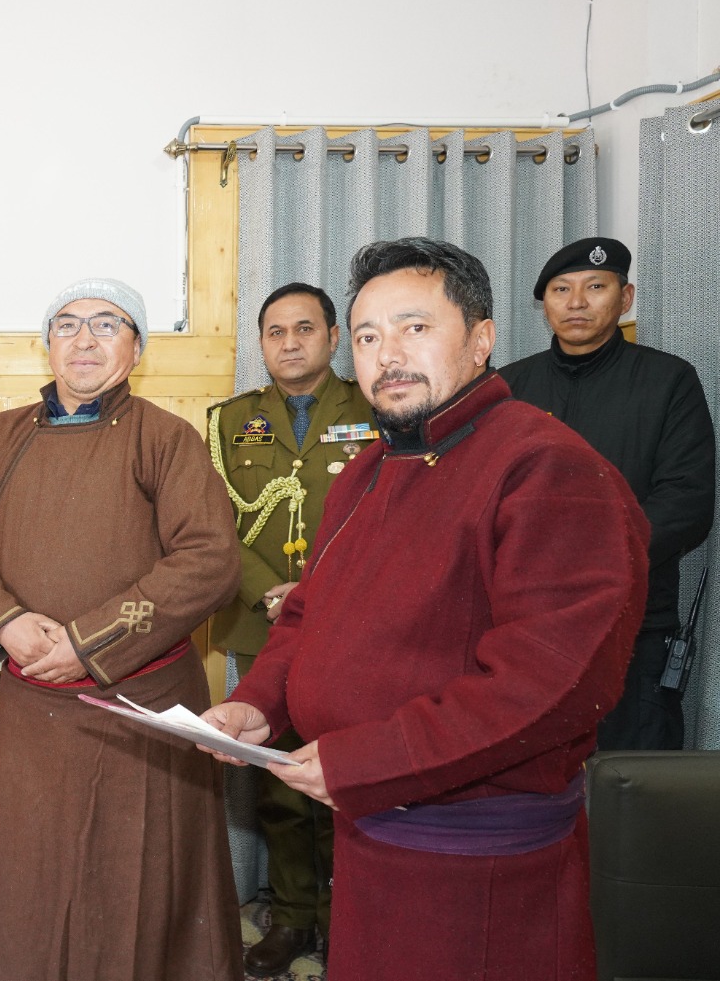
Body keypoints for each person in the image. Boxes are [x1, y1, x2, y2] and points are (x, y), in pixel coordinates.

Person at [202, 237, 650, 981]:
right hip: (375, 834)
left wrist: (364, 758)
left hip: (478, 867)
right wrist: (257, 705)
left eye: (414, 327)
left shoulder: (547, 467)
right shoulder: (372, 468)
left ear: (481, 338)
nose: (388, 353)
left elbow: (547, 687)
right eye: (371, 335)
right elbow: (310, 613)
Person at [0, 278, 244, 981]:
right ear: (47, 345)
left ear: (135, 349)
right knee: (39, 887)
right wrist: (6, 623)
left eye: (106, 325)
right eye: (67, 325)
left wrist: (87, 642)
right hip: (35, 709)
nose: (83, 339)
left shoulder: (167, 438)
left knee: (140, 890)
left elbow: (210, 560)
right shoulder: (2, 435)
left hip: (142, 711)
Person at [206, 282, 376, 975]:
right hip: (262, 624)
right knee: (277, 783)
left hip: (356, 623)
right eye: (275, 332)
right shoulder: (229, 420)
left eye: (305, 328)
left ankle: (349, 918)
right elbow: (214, 521)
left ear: (334, 337)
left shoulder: (377, 407)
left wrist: (315, 591)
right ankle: (294, 917)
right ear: (262, 343)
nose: (290, 342)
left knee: (347, 776)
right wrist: (272, 593)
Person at [498, 237, 715, 750]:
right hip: (523, 629)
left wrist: (589, 561)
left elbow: (686, 503)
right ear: (544, 303)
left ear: (626, 297)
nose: (577, 302)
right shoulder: (509, 388)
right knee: (536, 790)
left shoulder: (669, 381)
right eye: (561, 289)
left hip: (632, 627)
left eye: (596, 287)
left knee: (631, 793)